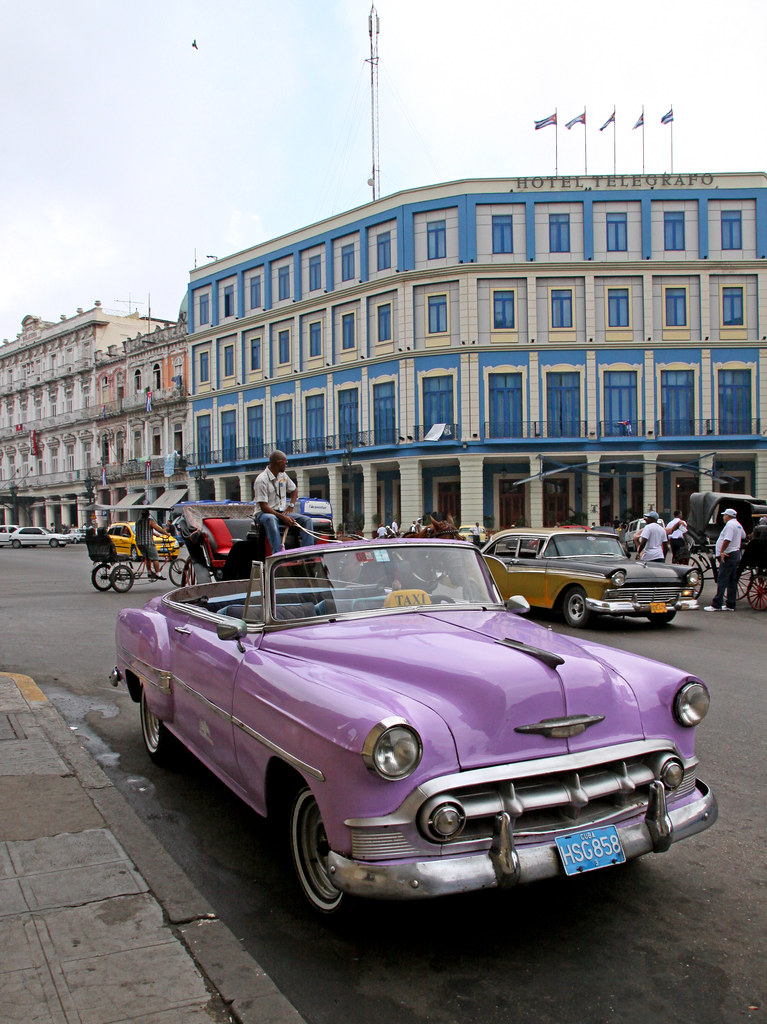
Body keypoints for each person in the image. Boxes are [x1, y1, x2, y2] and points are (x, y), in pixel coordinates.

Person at [253, 450, 315, 553]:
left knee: (307, 520)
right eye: (285, 462)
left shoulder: (283, 476)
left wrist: (291, 506)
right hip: (264, 513)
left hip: (281, 512)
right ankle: (277, 553)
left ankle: (308, 553)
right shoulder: (262, 480)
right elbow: (264, 507)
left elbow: (294, 490)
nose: (286, 465)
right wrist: (283, 517)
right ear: (279, 462)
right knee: (271, 519)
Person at [704, 508, 744, 611]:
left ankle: (716, 604)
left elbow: (727, 540)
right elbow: (743, 535)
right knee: (732, 580)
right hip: (735, 553)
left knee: (722, 579)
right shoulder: (738, 524)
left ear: (728, 516)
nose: (723, 517)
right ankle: (730, 604)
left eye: (724, 515)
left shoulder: (730, 525)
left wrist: (722, 551)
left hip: (728, 554)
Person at [135, 507, 170, 580]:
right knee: (155, 558)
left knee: (148, 558)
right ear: (148, 514)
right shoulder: (150, 521)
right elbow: (158, 529)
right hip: (148, 542)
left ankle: (149, 573)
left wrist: (155, 534)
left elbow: (145, 530)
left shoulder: (137, 521)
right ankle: (158, 574)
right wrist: (166, 533)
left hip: (139, 543)